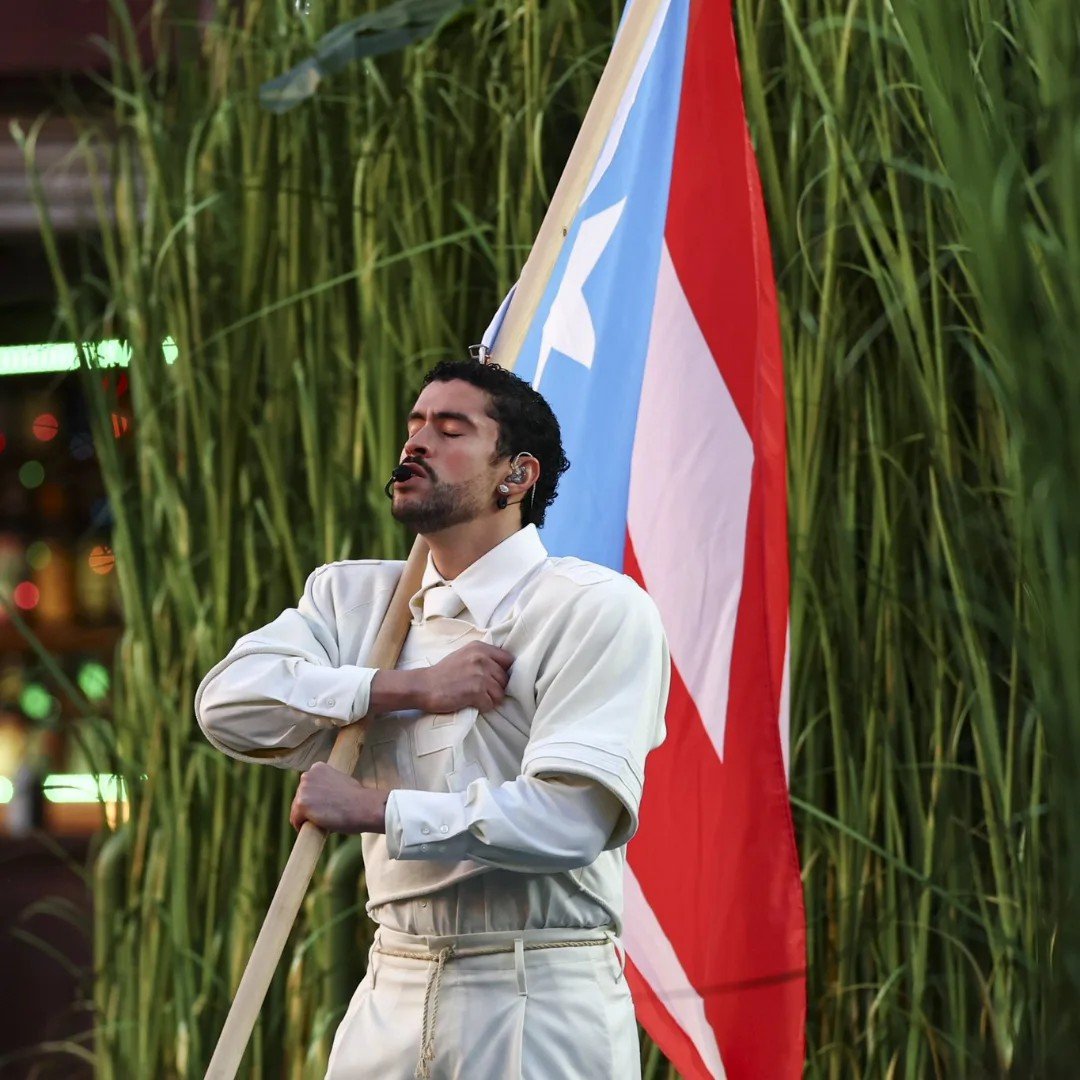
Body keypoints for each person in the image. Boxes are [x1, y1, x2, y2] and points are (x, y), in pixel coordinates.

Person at [194, 359, 670, 1079]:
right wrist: (404, 687)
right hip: (390, 981)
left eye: (451, 430)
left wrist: (377, 808)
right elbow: (227, 704)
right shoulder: (353, 601)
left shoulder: (594, 608)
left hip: (536, 992)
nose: (415, 442)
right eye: (415, 424)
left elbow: (572, 822)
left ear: (517, 476)